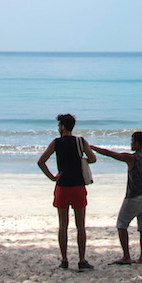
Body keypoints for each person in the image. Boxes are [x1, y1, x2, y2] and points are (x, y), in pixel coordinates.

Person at [89, 130, 142, 265]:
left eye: (132, 141)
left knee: (121, 225)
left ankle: (126, 256)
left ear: (137, 143)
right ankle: (141, 257)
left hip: (133, 196)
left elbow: (110, 153)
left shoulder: (132, 158)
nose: (130, 143)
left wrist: (91, 147)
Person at [37, 113, 96, 271]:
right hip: (78, 187)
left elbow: (41, 162)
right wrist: (81, 159)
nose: (58, 128)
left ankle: (64, 259)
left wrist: (52, 177)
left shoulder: (56, 143)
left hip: (62, 187)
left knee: (63, 225)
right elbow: (93, 158)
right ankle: (81, 260)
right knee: (80, 226)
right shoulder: (80, 141)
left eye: (58, 125)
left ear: (63, 126)